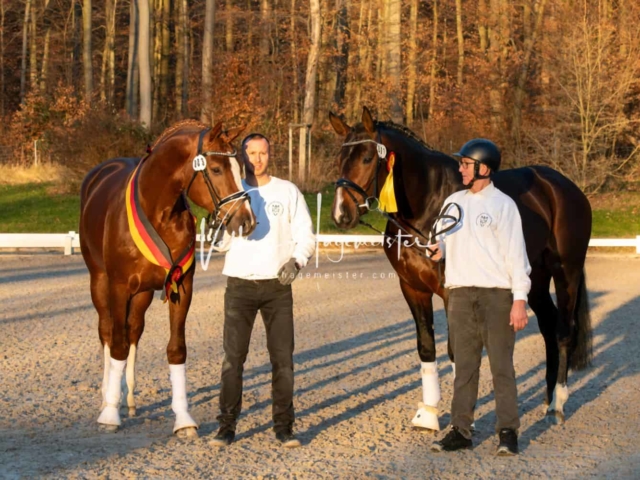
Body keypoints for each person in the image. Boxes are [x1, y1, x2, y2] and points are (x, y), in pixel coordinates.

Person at [209, 133, 316, 448]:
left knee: (282, 360)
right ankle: (226, 427)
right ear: (242, 155)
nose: (257, 159)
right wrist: (218, 226)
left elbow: (306, 235)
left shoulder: (287, 191)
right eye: (251, 153)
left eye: (263, 153)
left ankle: (284, 427)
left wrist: (296, 262)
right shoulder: (232, 190)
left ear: (271, 155)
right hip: (239, 286)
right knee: (233, 360)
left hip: (277, 287)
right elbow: (221, 245)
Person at [429, 138, 531, 456]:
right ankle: (461, 430)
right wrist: (437, 249)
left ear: (483, 168)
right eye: (460, 163)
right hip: (459, 295)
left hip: (497, 296)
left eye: (465, 164)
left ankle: (508, 431)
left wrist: (519, 299)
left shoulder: (503, 206)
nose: (459, 168)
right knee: (465, 367)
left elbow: (516, 256)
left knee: (502, 366)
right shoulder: (453, 202)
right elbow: (441, 239)